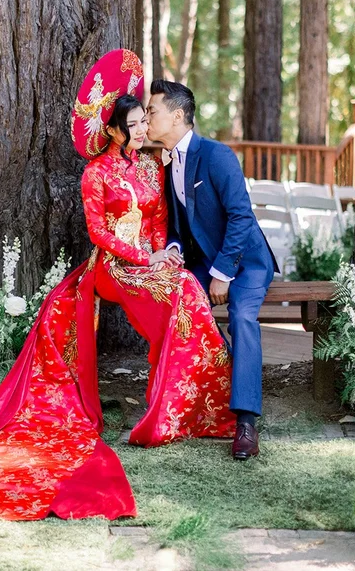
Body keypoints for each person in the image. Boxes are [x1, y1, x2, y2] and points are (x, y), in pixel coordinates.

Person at [0, 50, 235, 521]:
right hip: (112, 266)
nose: (141, 131)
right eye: (132, 125)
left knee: (186, 288)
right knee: (166, 292)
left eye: (143, 122)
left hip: (148, 260)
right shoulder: (96, 173)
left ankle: (183, 406)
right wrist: (142, 258)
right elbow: (100, 233)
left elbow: (156, 220)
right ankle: (168, 406)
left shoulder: (151, 167)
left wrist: (162, 253)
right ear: (114, 131)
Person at [144, 79, 277, 461]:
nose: (147, 119)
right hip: (203, 262)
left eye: (152, 111)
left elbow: (240, 216)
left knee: (242, 317)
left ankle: (246, 422)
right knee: (179, 305)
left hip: (246, 261)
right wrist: (172, 249)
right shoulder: (168, 162)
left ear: (177, 116)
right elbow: (177, 227)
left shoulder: (217, 155)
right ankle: (209, 387)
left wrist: (223, 272)